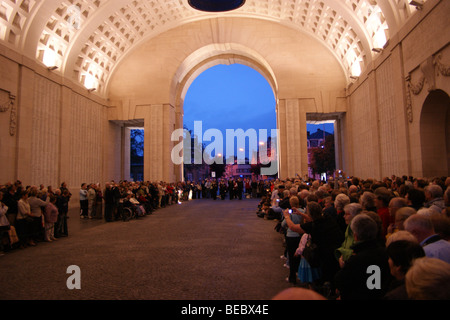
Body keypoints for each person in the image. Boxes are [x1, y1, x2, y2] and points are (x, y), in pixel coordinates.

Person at [283, 201, 344, 292]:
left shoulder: (314, 226)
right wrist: (300, 214)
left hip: (324, 253)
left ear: (310, 213)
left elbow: (293, 227)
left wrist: (287, 216)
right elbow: (313, 218)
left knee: (323, 278)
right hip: (335, 248)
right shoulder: (326, 218)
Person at [334, 214, 392, 300]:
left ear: (355, 236)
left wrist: (343, 267)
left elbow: (340, 281)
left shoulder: (355, 260)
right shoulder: (386, 254)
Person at [281, 196, 303, 284]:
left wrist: (286, 217)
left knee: (292, 256)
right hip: (300, 235)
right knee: (299, 255)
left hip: (291, 235)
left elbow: (283, 224)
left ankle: (292, 277)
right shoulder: (303, 211)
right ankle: (299, 273)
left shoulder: (290, 213)